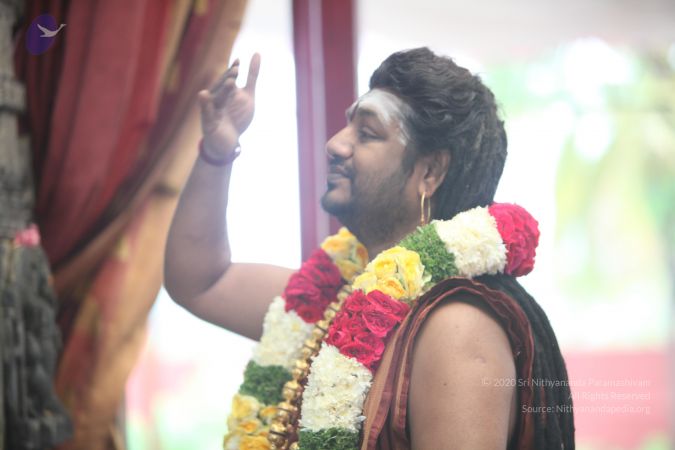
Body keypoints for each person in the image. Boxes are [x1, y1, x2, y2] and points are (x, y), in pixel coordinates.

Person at [164, 48, 575, 449]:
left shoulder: (457, 326)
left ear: (430, 171)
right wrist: (217, 152)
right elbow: (202, 282)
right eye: (348, 126)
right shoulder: (338, 299)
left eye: (367, 133)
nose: (335, 144)